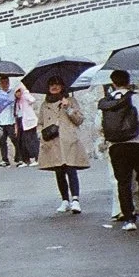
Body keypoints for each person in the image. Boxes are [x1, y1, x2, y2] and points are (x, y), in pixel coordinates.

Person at [99, 69, 139, 231]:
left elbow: (99, 125)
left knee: (123, 182)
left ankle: (129, 218)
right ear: (129, 81)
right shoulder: (137, 98)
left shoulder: (106, 101)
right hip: (138, 142)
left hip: (116, 146)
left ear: (113, 83)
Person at [37, 76, 89, 213]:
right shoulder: (44, 104)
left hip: (68, 141)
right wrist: (41, 135)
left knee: (71, 170)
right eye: (51, 85)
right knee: (59, 172)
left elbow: (79, 119)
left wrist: (68, 108)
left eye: (57, 84)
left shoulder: (70, 100)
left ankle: (76, 200)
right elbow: (40, 122)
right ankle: (65, 200)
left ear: (62, 86)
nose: (54, 87)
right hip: (52, 142)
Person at [0, 75, 21, 166]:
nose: (4, 84)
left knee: (14, 139)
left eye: (6, 82)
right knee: (2, 141)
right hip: (0, 121)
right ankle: (5, 160)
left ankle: (19, 157)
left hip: (10, 120)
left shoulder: (13, 93)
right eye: (2, 82)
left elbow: (16, 104)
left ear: (8, 83)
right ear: (0, 83)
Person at [15, 83, 40, 166]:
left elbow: (32, 100)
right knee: (22, 141)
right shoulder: (17, 101)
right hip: (20, 121)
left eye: (19, 91)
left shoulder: (25, 97)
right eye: (16, 92)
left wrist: (25, 92)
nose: (18, 94)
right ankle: (26, 160)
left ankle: (37, 158)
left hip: (29, 121)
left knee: (32, 140)